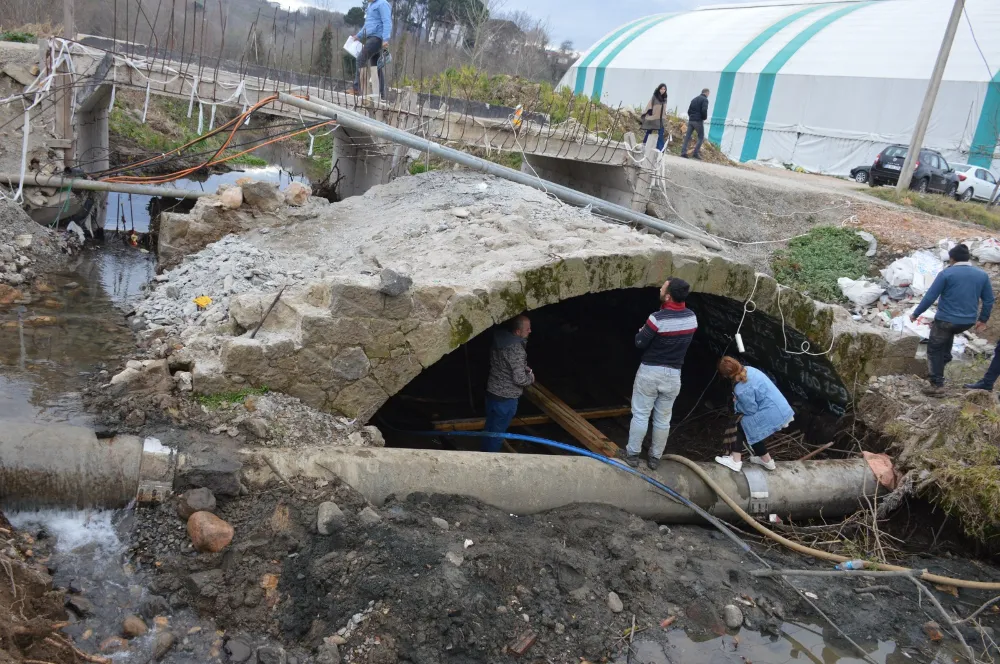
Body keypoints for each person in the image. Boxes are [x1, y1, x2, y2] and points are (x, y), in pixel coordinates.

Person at [625, 278, 697, 470]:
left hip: (650, 372)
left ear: (668, 295)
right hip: (673, 375)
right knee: (663, 419)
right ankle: (655, 457)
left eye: (663, 287)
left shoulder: (657, 318)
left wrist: (642, 331)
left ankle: (632, 454)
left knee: (640, 415)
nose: (659, 287)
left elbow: (639, 343)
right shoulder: (692, 318)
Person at [910, 244, 994, 396]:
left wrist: (916, 313)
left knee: (934, 349)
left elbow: (930, 296)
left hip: (946, 320)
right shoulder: (982, 275)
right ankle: (943, 363)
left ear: (952, 259)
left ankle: (937, 385)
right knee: (946, 338)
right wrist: (983, 319)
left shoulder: (947, 273)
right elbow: (988, 300)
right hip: (967, 321)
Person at [715, 356, 793, 473]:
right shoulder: (749, 370)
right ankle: (767, 461)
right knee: (752, 428)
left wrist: (736, 402)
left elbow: (750, 410)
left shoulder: (741, 388)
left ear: (726, 375)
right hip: (781, 408)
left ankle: (735, 461)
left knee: (740, 425)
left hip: (772, 412)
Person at [482, 315, 534, 452]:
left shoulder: (499, 339)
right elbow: (520, 379)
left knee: (490, 427)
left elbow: (504, 365)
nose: (530, 331)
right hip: (506, 398)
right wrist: (531, 378)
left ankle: (482, 453)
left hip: (492, 392)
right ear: (517, 332)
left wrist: (522, 367)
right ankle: (489, 460)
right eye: (527, 329)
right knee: (498, 434)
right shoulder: (516, 349)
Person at [347, 0, 393, 98]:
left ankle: (357, 88)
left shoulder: (382, 4)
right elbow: (368, 25)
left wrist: (385, 39)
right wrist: (358, 36)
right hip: (371, 37)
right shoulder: (371, 5)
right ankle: (380, 94)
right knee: (376, 66)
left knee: (361, 59)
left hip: (377, 38)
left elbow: (387, 21)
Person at [681, 88, 709, 159]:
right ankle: (695, 153)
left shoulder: (694, 99)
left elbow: (689, 110)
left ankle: (683, 152)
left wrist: (691, 116)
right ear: (707, 93)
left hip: (691, 120)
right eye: (708, 94)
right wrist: (704, 117)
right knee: (701, 137)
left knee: (687, 136)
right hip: (698, 121)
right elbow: (704, 110)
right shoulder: (705, 100)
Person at [641, 84, 668, 152]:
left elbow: (664, 108)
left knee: (660, 134)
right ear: (659, 89)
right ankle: (644, 145)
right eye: (661, 89)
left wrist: (665, 115)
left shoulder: (665, 98)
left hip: (661, 119)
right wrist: (649, 113)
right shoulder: (655, 96)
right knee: (649, 132)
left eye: (664, 89)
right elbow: (650, 105)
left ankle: (660, 149)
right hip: (654, 117)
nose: (663, 90)